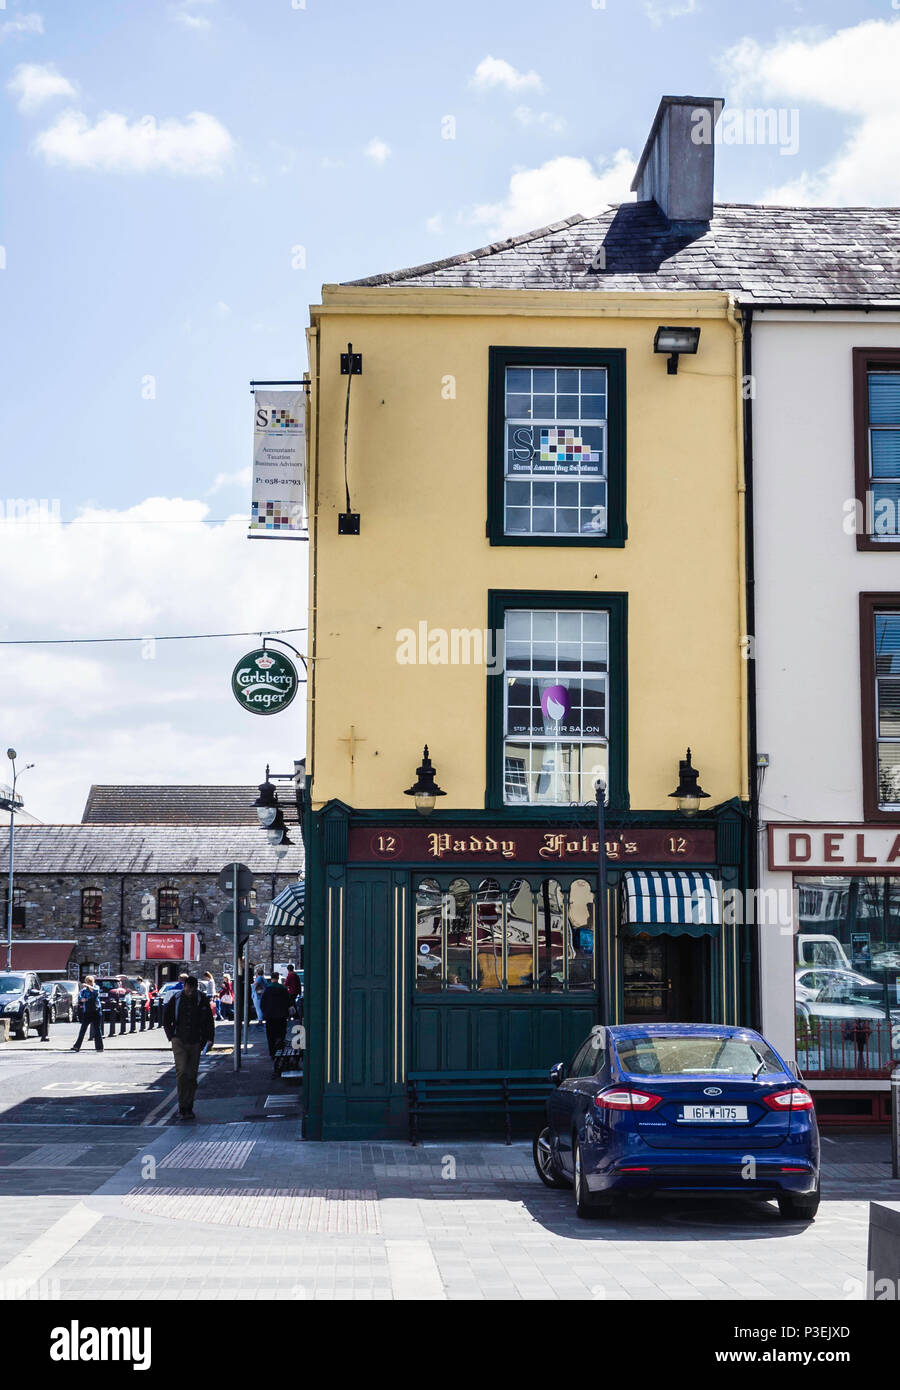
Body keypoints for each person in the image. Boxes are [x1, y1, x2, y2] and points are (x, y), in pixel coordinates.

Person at [163, 974, 214, 1122]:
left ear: (196, 987)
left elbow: (209, 1021)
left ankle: (189, 1106)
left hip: (195, 1041)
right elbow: (166, 1018)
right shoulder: (177, 998)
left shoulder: (201, 999)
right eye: (188, 989)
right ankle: (182, 1107)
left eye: (193, 989)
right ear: (185, 986)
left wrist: (210, 1039)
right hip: (179, 1040)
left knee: (192, 1076)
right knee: (182, 1073)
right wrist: (171, 1036)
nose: (190, 992)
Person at [260, 971, 291, 1060]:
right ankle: (280, 1051)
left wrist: (265, 1013)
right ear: (278, 978)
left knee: (271, 1035)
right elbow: (288, 1001)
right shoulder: (283, 988)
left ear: (271, 978)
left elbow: (263, 1003)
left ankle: (272, 1053)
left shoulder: (267, 989)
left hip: (270, 1016)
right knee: (281, 1034)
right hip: (281, 1015)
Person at [71, 975, 104, 1052]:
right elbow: (80, 998)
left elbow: (95, 991)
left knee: (97, 1030)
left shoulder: (96, 987)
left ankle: (99, 1047)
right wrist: (84, 999)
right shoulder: (84, 990)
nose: (89, 983)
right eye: (88, 982)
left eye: (90, 982)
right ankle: (77, 1046)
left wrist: (88, 987)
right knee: (83, 1029)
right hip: (87, 1012)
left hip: (96, 1011)